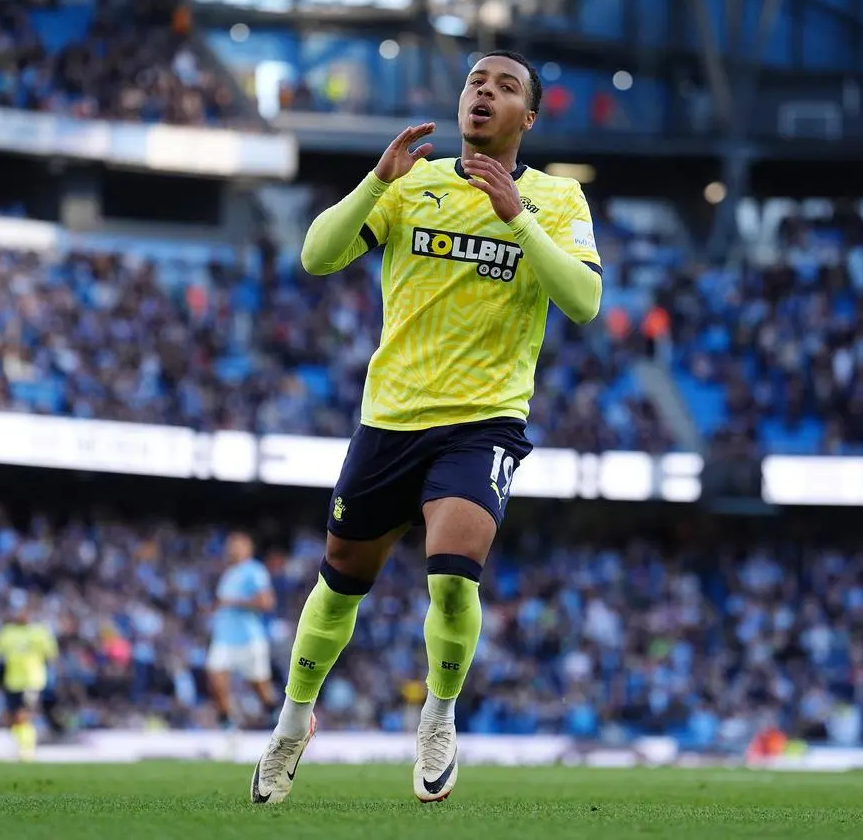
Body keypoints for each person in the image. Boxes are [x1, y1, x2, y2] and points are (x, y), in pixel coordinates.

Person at [251, 49, 602, 805]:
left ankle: (439, 717)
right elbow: (316, 255)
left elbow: (582, 301)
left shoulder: (559, 200)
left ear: (528, 118)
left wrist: (517, 218)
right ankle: (292, 723)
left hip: (484, 419)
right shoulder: (414, 183)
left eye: (506, 86)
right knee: (341, 582)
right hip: (391, 417)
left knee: (452, 571)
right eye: (478, 80)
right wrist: (378, 180)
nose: (485, 92)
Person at [206, 531, 277, 728]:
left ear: (248, 548)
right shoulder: (228, 574)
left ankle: (273, 713)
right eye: (230, 545)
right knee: (215, 678)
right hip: (224, 638)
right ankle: (227, 722)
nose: (232, 549)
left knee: (259, 684)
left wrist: (235, 602)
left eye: (237, 544)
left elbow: (266, 602)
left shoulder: (254, 571)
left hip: (248, 638)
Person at [0, 602, 58, 761]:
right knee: (12, 719)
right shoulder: (8, 632)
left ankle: (27, 751)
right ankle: (23, 746)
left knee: (23, 715)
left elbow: (51, 654)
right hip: (12, 682)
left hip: (32, 681)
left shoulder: (39, 632)